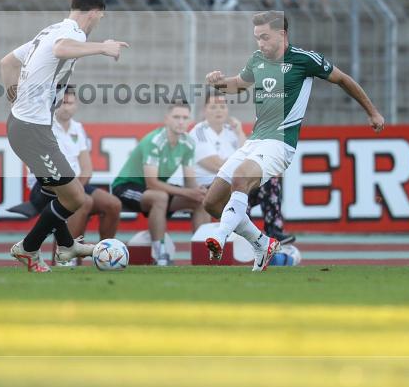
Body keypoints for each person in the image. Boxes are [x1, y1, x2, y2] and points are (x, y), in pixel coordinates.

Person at [203, 11, 384, 270]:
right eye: (257, 38)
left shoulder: (304, 60)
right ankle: (262, 244)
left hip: (280, 143)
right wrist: (219, 83)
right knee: (211, 202)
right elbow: (239, 85)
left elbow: (343, 79)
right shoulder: (257, 59)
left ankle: (219, 238)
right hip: (255, 141)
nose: (260, 44)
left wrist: (372, 111)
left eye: (265, 38)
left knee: (240, 179)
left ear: (282, 35)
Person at [1, 0, 128, 272]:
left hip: (23, 125)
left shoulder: (48, 30)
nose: (98, 23)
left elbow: (7, 62)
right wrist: (103, 48)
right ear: (95, 12)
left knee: (57, 192)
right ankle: (28, 248)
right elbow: (61, 49)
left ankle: (67, 245)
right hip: (32, 129)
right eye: (100, 17)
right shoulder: (73, 33)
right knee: (76, 197)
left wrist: (13, 94)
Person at [111, 101, 210, 265]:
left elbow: (190, 181)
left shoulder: (188, 143)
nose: (180, 121)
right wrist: (188, 192)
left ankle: (203, 254)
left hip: (157, 190)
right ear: (166, 119)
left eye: (185, 118)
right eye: (176, 117)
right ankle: (160, 254)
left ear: (190, 121)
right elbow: (151, 183)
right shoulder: (154, 141)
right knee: (160, 197)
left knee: (200, 200)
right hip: (126, 186)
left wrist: (198, 192)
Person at [26, 86, 122, 248]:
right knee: (83, 201)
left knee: (113, 204)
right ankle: (66, 255)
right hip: (45, 187)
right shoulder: (43, 127)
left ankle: (106, 251)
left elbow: (87, 168)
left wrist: (75, 188)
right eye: (61, 103)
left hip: (74, 182)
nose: (65, 107)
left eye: (70, 103)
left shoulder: (77, 128)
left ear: (76, 105)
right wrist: (73, 191)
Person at [190, 91, 246, 188]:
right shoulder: (198, 132)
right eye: (213, 107)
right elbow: (218, 166)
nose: (219, 110)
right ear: (204, 110)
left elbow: (248, 156)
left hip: (232, 183)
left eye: (222, 106)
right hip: (208, 186)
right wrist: (240, 163)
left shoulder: (232, 131)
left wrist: (240, 133)